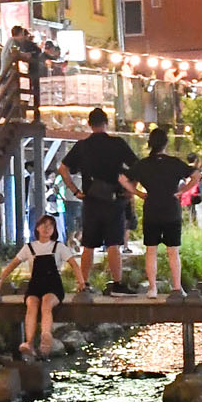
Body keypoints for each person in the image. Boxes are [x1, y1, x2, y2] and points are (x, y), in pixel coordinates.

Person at [59, 107, 138, 295]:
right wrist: (130, 190)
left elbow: (62, 169)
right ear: (106, 123)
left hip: (91, 201)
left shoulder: (82, 146)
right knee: (113, 244)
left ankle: (83, 284)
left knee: (88, 244)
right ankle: (117, 284)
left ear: (89, 124)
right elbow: (137, 166)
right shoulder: (117, 143)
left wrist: (76, 191)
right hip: (114, 200)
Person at [0, 214, 83, 358]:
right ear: (37, 228)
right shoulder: (29, 247)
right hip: (35, 285)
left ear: (54, 230)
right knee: (31, 305)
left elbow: (74, 265)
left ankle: (46, 335)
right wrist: (0, 279)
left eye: (50, 226)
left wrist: (81, 282)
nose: (47, 228)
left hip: (53, 286)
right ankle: (29, 342)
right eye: (44, 225)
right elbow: (13, 264)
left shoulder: (59, 246)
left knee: (46, 304)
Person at [128, 126, 199, 298]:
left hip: (151, 208)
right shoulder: (174, 163)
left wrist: (138, 193)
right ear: (166, 143)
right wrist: (182, 191)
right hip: (171, 209)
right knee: (173, 251)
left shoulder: (142, 164)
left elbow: (123, 179)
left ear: (150, 143)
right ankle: (177, 287)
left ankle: (152, 288)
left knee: (151, 251)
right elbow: (196, 175)